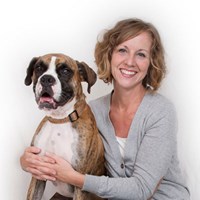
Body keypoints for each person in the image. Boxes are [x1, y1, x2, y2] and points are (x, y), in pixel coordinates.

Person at [20, 18, 190, 199]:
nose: (130, 62)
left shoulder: (161, 111)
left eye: (141, 54)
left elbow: (141, 189)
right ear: (109, 56)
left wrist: (73, 178)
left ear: (151, 63)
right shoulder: (91, 112)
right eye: (122, 50)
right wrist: (27, 162)